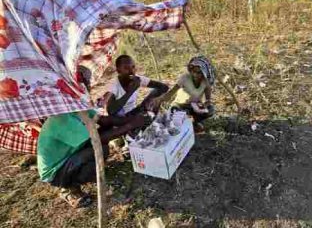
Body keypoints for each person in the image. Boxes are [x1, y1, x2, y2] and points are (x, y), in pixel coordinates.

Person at [37, 66, 147, 208]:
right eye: (84, 83)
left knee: (103, 147)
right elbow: (97, 140)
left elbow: (105, 121)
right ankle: (69, 188)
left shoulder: (78, 106)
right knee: (97, 150)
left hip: (71, 154)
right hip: (56, 171)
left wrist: (131, 120)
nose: (88, 87)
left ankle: (85, 173)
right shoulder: (61, 117)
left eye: (87, 83)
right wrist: (130, 126)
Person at [154, 56, 215, 133]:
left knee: (211, 109)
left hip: (195, 106)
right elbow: (171, 93)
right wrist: (160, 99)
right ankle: (183, 126)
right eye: (193, 71)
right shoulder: (185, 78)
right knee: (179, 115)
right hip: (180, 105)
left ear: (203, 73)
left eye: (198, 72)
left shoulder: (206, 82)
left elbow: (208, 100)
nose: (195, 74)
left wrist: (205, 104)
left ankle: (194, 123)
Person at [104, 55, 168, 118]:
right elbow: (111, 111)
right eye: (126, 68)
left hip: (135, 112)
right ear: (118, 71)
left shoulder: (138, 79)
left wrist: (154, 99)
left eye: (133, 67)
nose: (131, 71)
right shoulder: (113, 85)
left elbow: (164, 87)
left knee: (156, 92)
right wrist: (131, 90)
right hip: (119, 119)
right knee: (120, 114)